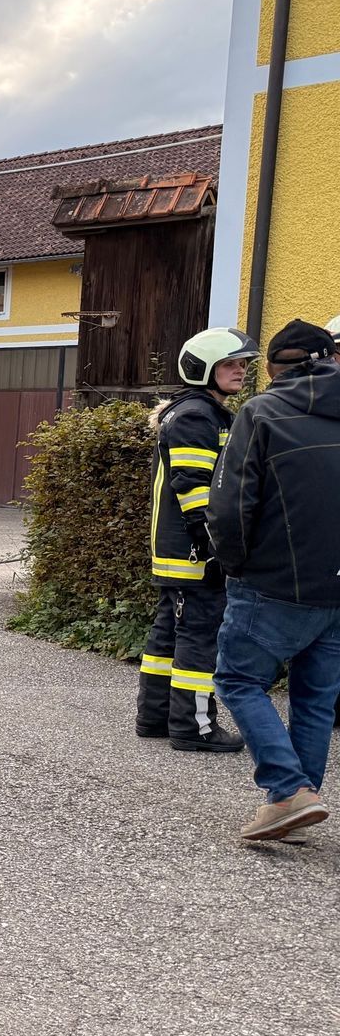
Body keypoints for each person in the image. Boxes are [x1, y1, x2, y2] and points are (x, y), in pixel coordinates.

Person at [207, 319, 340, 842]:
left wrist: (235, 565)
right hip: (336, 588)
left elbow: (229, 505)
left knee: (239, 680)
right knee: (315, 698)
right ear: (331, 359)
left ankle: (288, 791)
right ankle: (297, 803)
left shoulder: (261, 413)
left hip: (274, 582)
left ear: (272, 368)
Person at [136, 327, 257, 751]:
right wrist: (216, 547)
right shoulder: (197, 416)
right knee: (200, 637)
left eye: (242, 364)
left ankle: (155, 718)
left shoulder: (194, 411)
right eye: (230, 364)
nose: (240, 370)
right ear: (203, 368)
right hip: (194, 551)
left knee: (168, 634)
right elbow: (194, 490)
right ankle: (194, 728)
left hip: (178, 549)